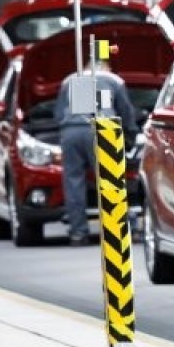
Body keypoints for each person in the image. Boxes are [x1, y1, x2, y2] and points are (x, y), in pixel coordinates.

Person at [54, 59, 137, 245]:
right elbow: (126, 112)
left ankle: (78, 233)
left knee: (73, 182)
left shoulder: (70, 80)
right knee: (109, 179)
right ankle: (119, 228)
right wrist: (131, 135)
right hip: (101, 130)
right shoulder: (113, 79)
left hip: (71, 133)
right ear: (107, 66)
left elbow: (58, 113)